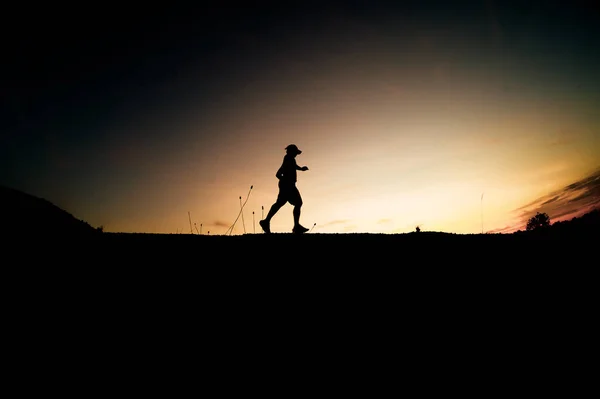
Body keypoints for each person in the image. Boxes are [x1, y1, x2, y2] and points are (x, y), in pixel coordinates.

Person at [260, 144, 309, 234]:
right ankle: (296, 226)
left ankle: (266, 221)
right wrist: (285, 181)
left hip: (288, 185)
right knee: (297, 203)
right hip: (288, 185)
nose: (296, 155)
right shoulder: (288, 159)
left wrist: (301, 169)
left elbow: (291, 167)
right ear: (291, 152)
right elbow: (278, 173)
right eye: (295, 153)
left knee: (280, 203)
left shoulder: (290, 159)